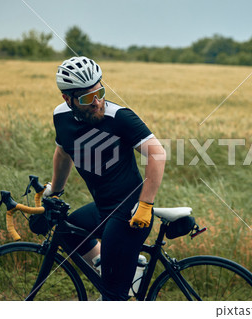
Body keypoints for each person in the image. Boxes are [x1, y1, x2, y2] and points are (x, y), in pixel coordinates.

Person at [44, 56, 166, 300]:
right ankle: (117, 268)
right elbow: (63, 151)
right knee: (69, 232)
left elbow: (157, 154)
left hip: (130, 212)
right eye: (88, 98)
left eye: (100, 92)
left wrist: (145, 205)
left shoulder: (119, 117)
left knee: (112, 298)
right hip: (103, 207)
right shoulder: (61, 117)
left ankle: (117, 283)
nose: (97, 102)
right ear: (67, 99)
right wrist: (54, 191)